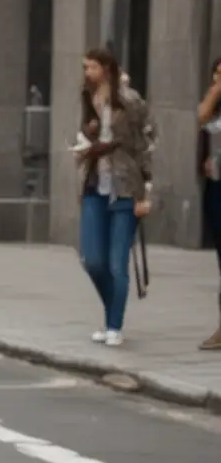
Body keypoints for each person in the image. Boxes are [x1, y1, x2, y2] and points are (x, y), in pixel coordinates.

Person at [75, 48, 154, 347]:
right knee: (92, 260)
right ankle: (112, 313)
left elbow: (147, 143)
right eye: (85, 67)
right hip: (95, 184)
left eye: (92, 67)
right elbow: (86, 133)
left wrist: (146, 190)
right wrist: (85, 145)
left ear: (107, 68)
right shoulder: (87, 97)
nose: (87, 72)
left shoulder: (130, 101)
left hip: (125, 187)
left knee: (117, 264)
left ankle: (114, 326)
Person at [200, 57, 221, 351]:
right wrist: (216, 90)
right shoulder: (214, 104)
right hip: (217, 186)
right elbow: (202, 116)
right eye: (216, 73)